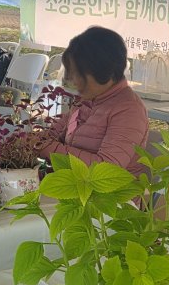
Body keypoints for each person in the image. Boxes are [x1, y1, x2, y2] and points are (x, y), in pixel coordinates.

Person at [38, 26, 148, 177]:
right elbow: (54, 134)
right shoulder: (86, 100)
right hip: (73, 186)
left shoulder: (129, 110)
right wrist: (33, 141)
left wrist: (46, 147)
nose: (75, 81)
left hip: (108, 197)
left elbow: (107, 169)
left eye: (80, 74)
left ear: (104, 71)